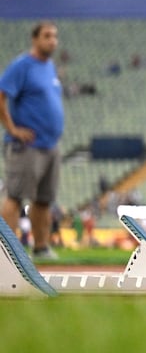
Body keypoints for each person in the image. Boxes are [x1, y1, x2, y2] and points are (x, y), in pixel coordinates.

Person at [0, 21, 64, 260]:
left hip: (50, 145)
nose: (52, 41)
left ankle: (41, 248)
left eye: (55, 36)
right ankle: (5, 253)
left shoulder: (49, 67)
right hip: (27, 146)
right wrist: (12, 129)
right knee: (15, 196)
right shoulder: (22, 66)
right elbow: (1, 94)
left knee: (44, 200)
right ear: (35, 39)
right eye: (47, 36)